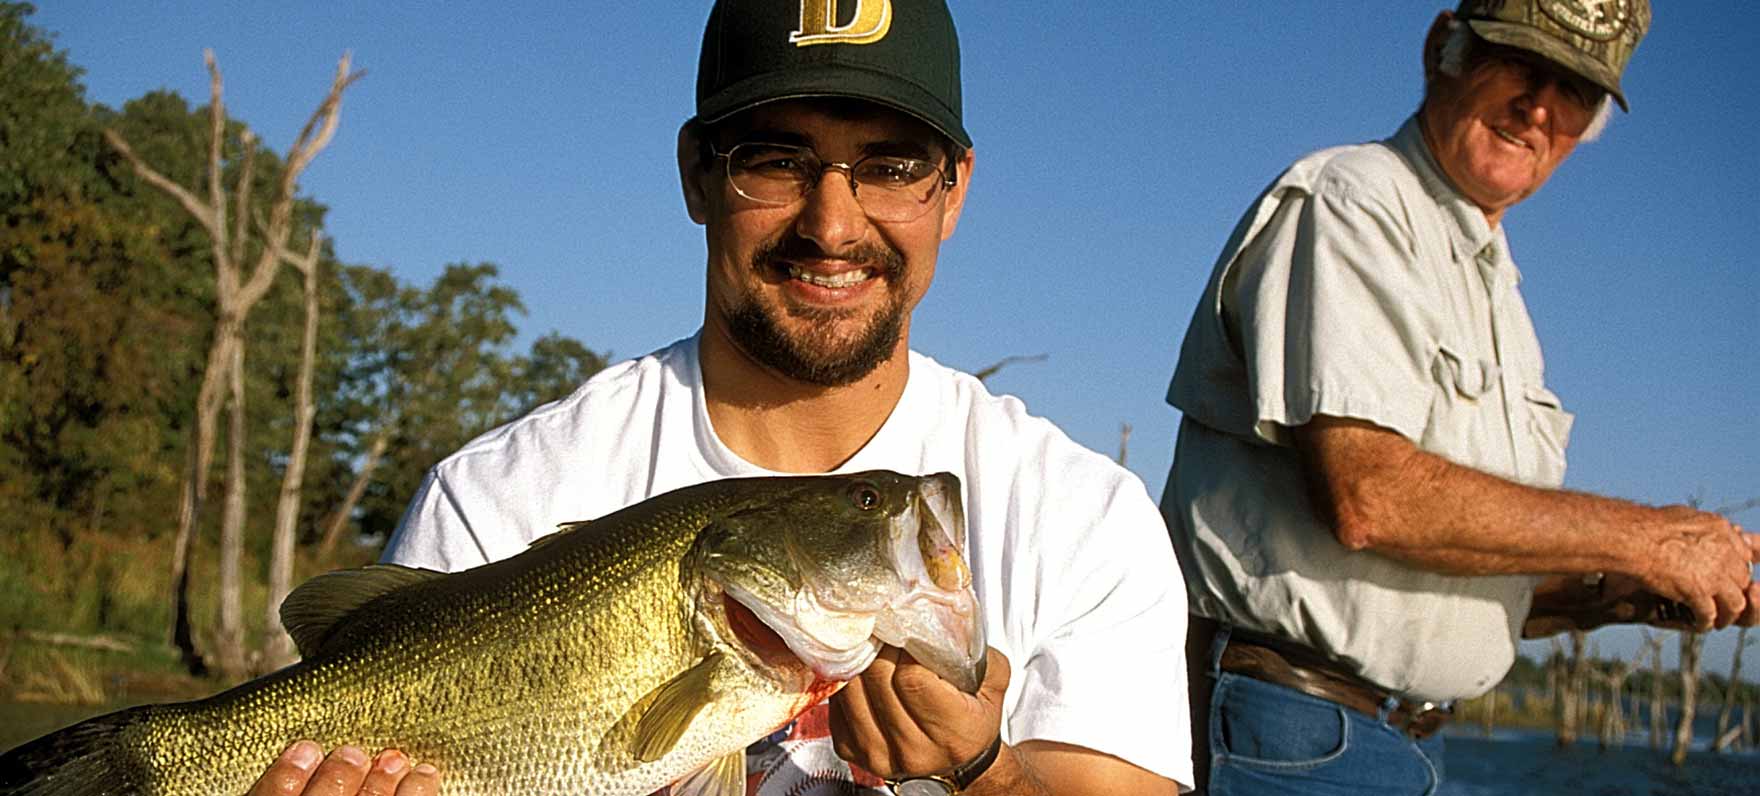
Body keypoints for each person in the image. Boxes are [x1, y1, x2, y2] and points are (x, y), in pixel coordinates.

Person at [245, 2, 1193, 795]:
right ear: (699, 173)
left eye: (892, 165)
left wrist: (984, 770)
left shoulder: (1083, 518)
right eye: (777, 160)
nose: (832, 222)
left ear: (954, 191)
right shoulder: (499, 496)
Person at [1160, 1, 1760, 793]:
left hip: (1401, 741)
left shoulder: (1497, 287)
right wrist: (1649, 539)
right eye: (1522, 65)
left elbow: (1440, 567)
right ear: (1444, 47)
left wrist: (1600, 595)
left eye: (1574, 89)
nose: (1538, 108)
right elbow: (1370, 497)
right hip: (1292, 731)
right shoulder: (1354, 202)